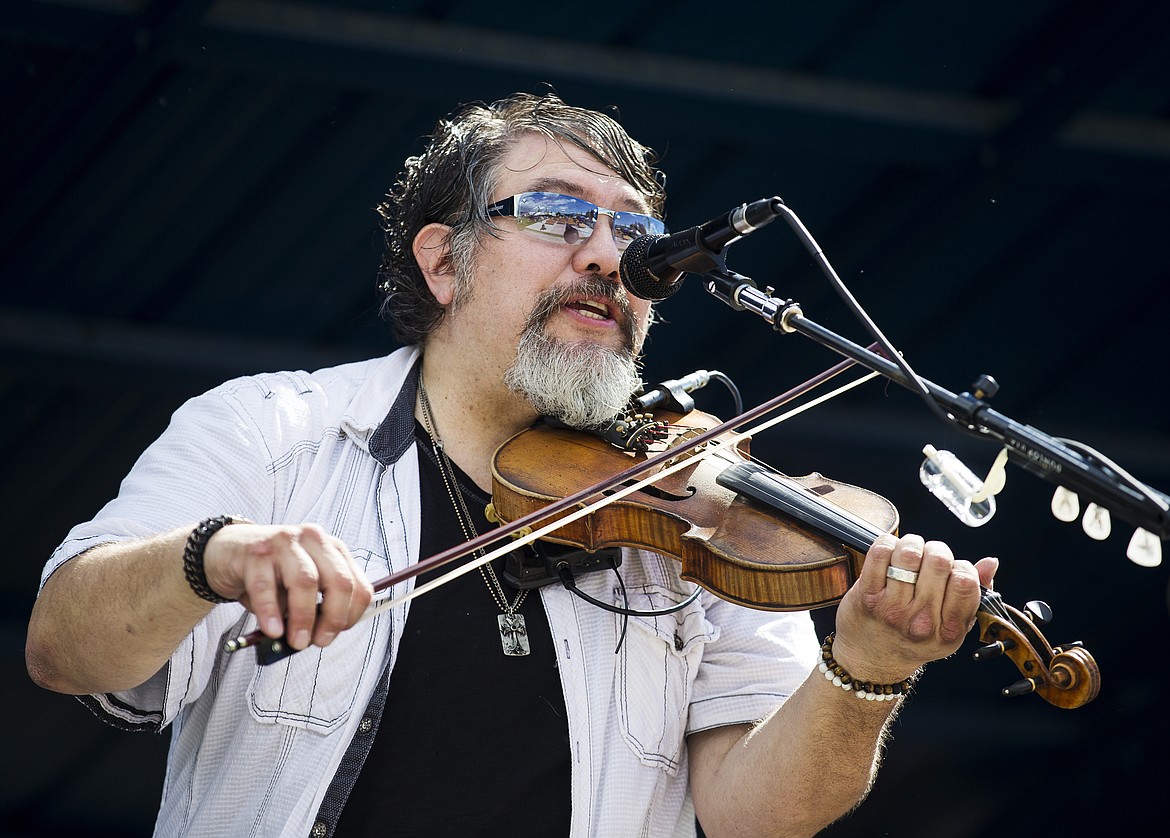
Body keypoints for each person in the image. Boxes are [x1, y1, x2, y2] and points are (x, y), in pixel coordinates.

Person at [26, 92, 996, 837]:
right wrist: (213, 556)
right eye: (560, 217)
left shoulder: (698, 500)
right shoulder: (274, 428)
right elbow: (64, 649)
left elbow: (757, 812)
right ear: (444, 261)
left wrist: (867, 668)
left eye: (636, 234)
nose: (612, 259)